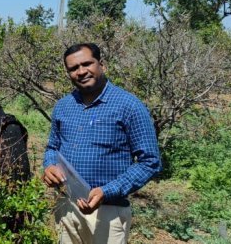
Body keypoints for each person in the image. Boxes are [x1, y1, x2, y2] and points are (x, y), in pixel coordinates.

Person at [42, 43, 161, 244]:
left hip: (108, 212)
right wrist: (49, 165)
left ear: (102, 65)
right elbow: (52, 147)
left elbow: (149, 161)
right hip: (67, 206)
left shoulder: (129, 106)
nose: (81, 72)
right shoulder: (63, 106)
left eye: (87, 64)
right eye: (73, 68)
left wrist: (107, 191)